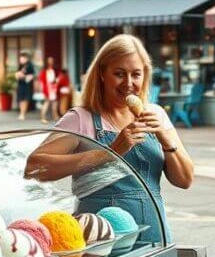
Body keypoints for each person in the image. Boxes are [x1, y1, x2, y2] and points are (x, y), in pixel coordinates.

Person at [25, 34, 194, 244]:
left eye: (136, 74)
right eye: (119, 74)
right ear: (102, 74)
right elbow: (34, 167)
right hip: (100, 241)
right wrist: (109, 152)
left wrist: (167, 141)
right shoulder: (81, 118)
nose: (129, 83)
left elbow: (185, 180)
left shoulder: (156, 114)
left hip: (154, 236)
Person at [15, 52, 35, 120]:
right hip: (20, 84)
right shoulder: (20, 65)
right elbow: (17, 74)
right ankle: (21, 112)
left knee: (26, 99)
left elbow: (32, 76)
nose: (21, 60)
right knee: (20, 98)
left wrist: (23, 76)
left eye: (22, 58)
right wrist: (18, 75)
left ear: (26, 58)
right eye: (20, 59)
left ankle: (23, 113)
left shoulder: (30, 65)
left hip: (27, 85)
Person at [38, 56, 59, 124]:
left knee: (54, 102)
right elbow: (41, 81)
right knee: (47, 102)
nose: (50, 62)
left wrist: (56, 81)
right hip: (47, 89)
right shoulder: (44, 71)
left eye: (52, 60)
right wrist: (41, 89)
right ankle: (43, 117)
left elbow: (57, 78)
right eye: (49, 60)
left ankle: (55, 115)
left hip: (54, 88)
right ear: (46, 62)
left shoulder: (54, 70)